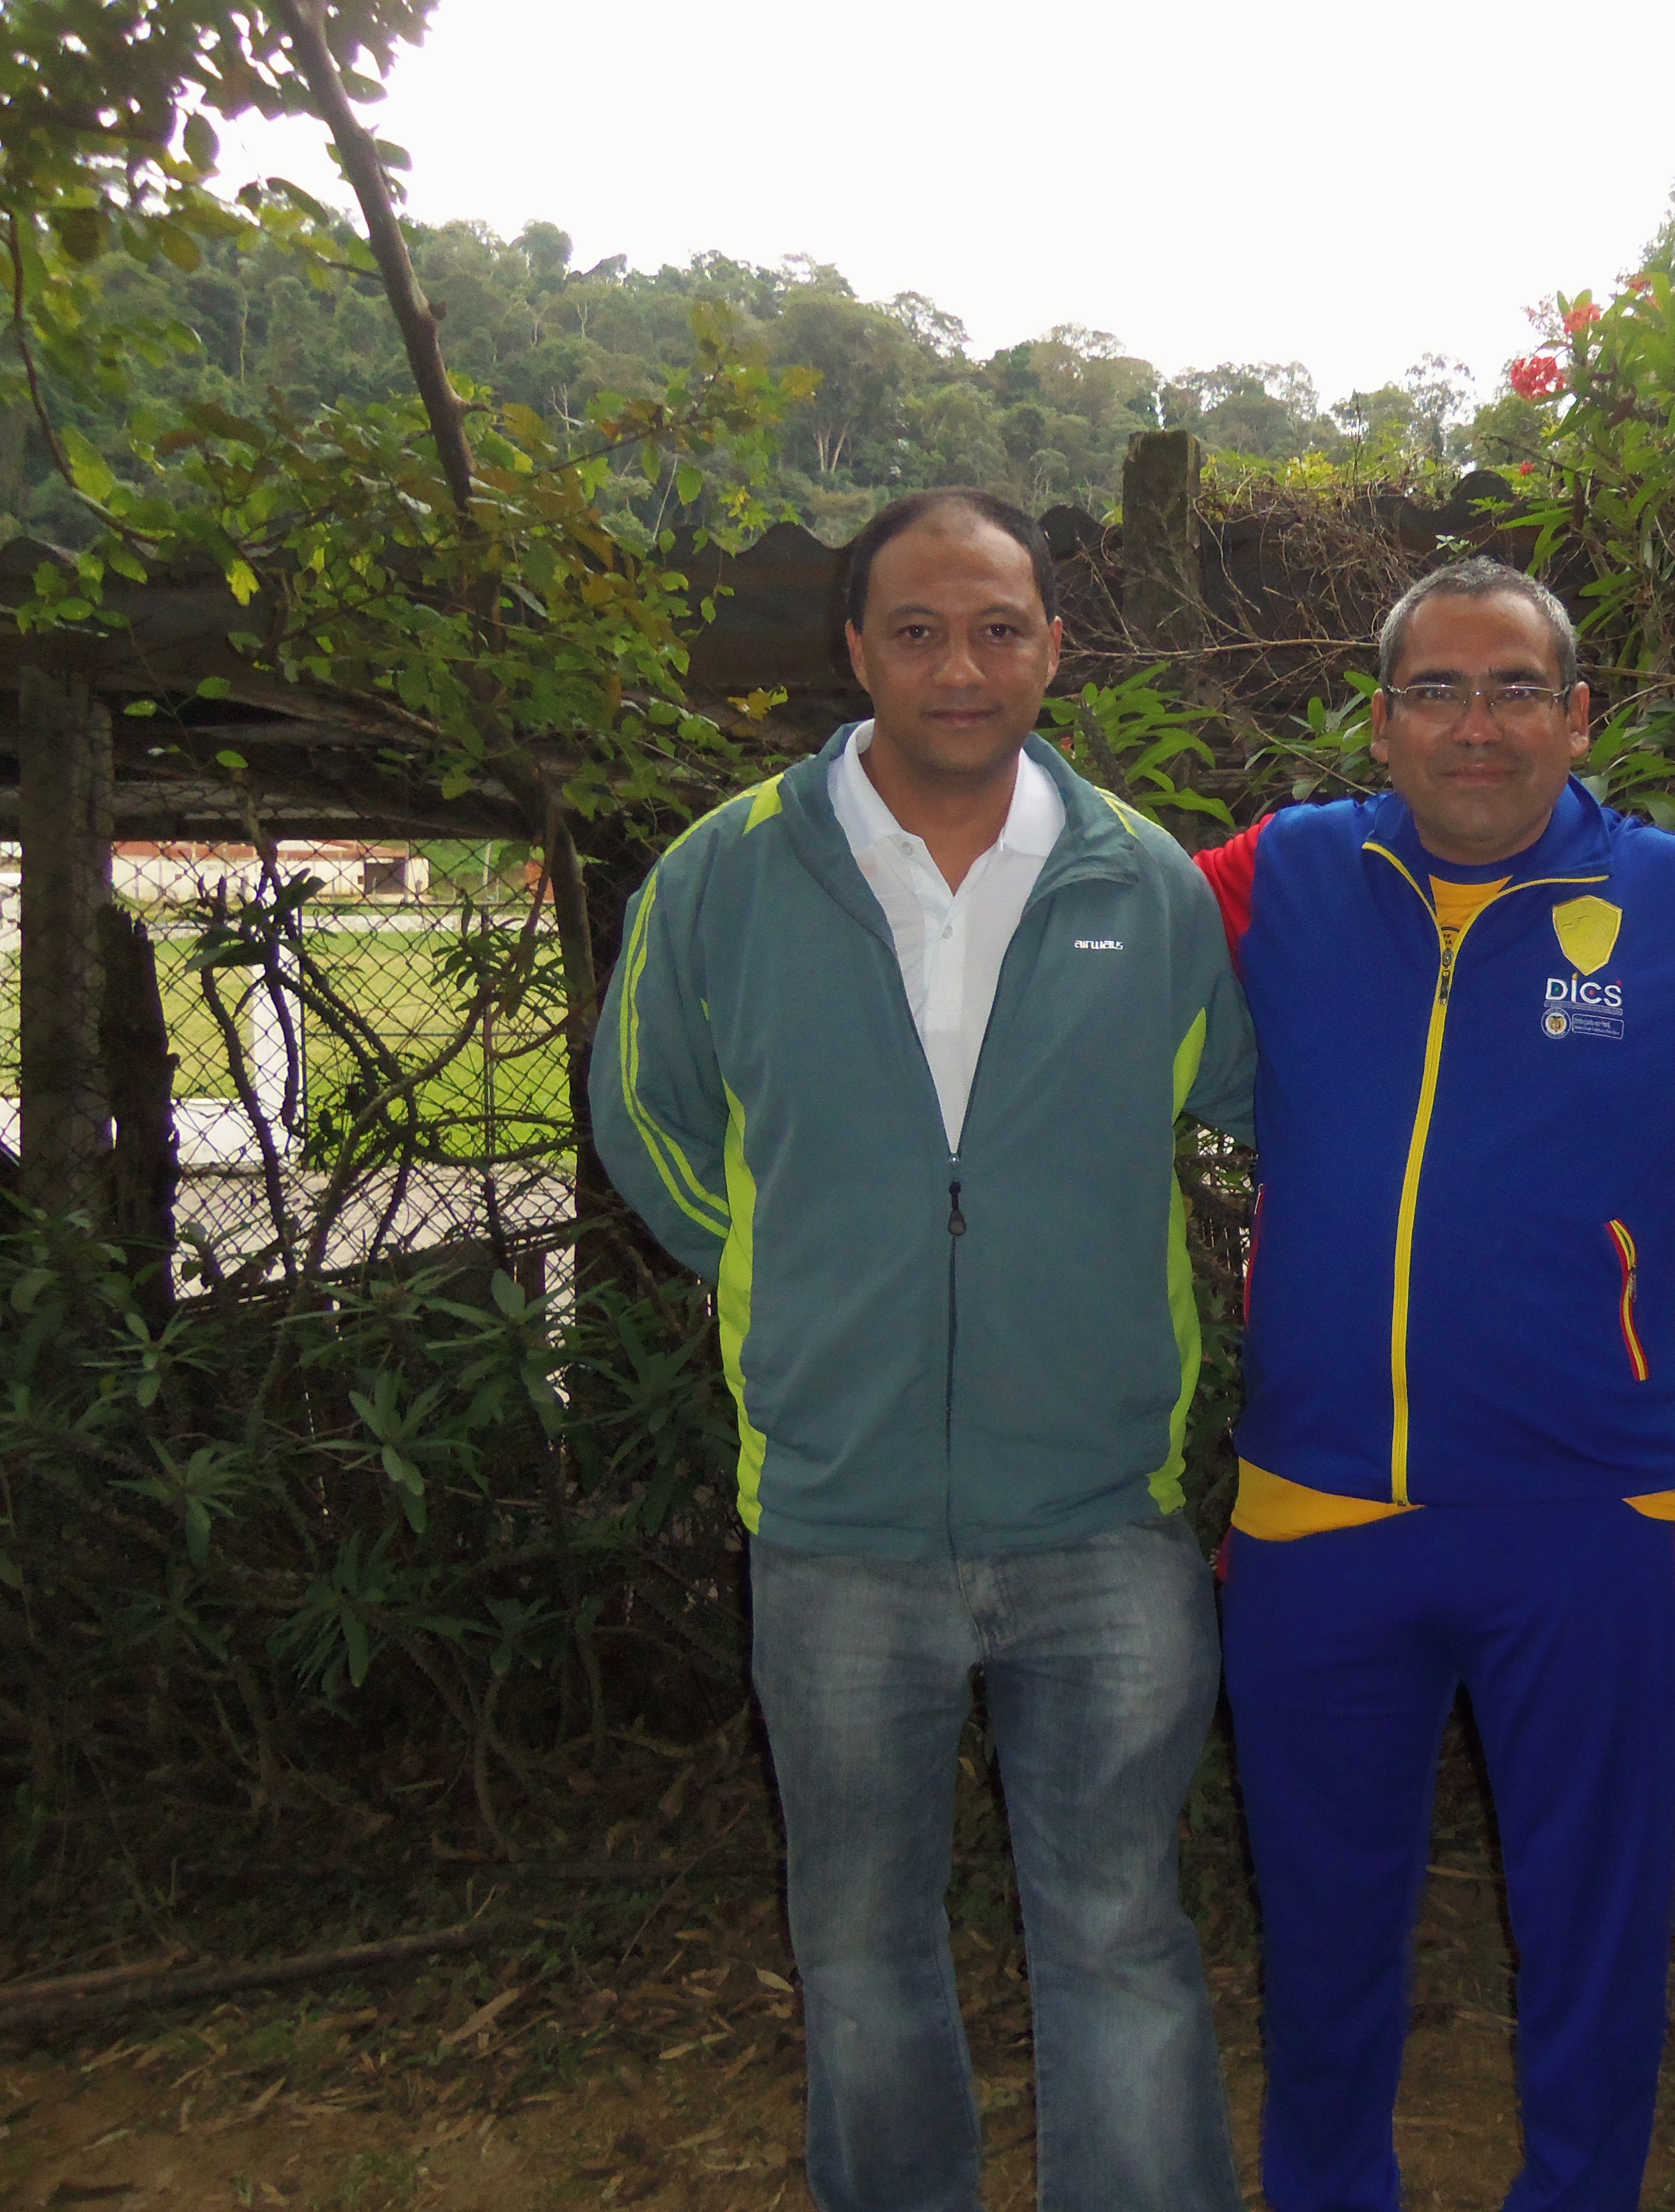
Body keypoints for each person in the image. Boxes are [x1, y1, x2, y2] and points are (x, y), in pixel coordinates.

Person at [591, 487, 1253, 2212]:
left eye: (1000, 629)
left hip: (1103, 1517)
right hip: (836, 1514)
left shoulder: (1150, 885)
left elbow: (1249, 1120)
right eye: (918, 629)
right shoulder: (728, 874)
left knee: (1119, 1938)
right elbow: (644, 1126)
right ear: (855, 649)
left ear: (1054, 649)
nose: (961, 666)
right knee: (864, 1950)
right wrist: (814, 1286)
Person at [1192, 556, 1675, 2212]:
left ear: (1578, 715)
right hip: (1318, 1514)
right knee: (1319, 1939)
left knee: (1598, 1939)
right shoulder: (1285, 874)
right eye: (1439, 691)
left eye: (1518, 687)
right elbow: (1077, 973)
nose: (1480, 725)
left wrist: (1629, 1177)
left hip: (1587, 1511)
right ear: (1379, 723)